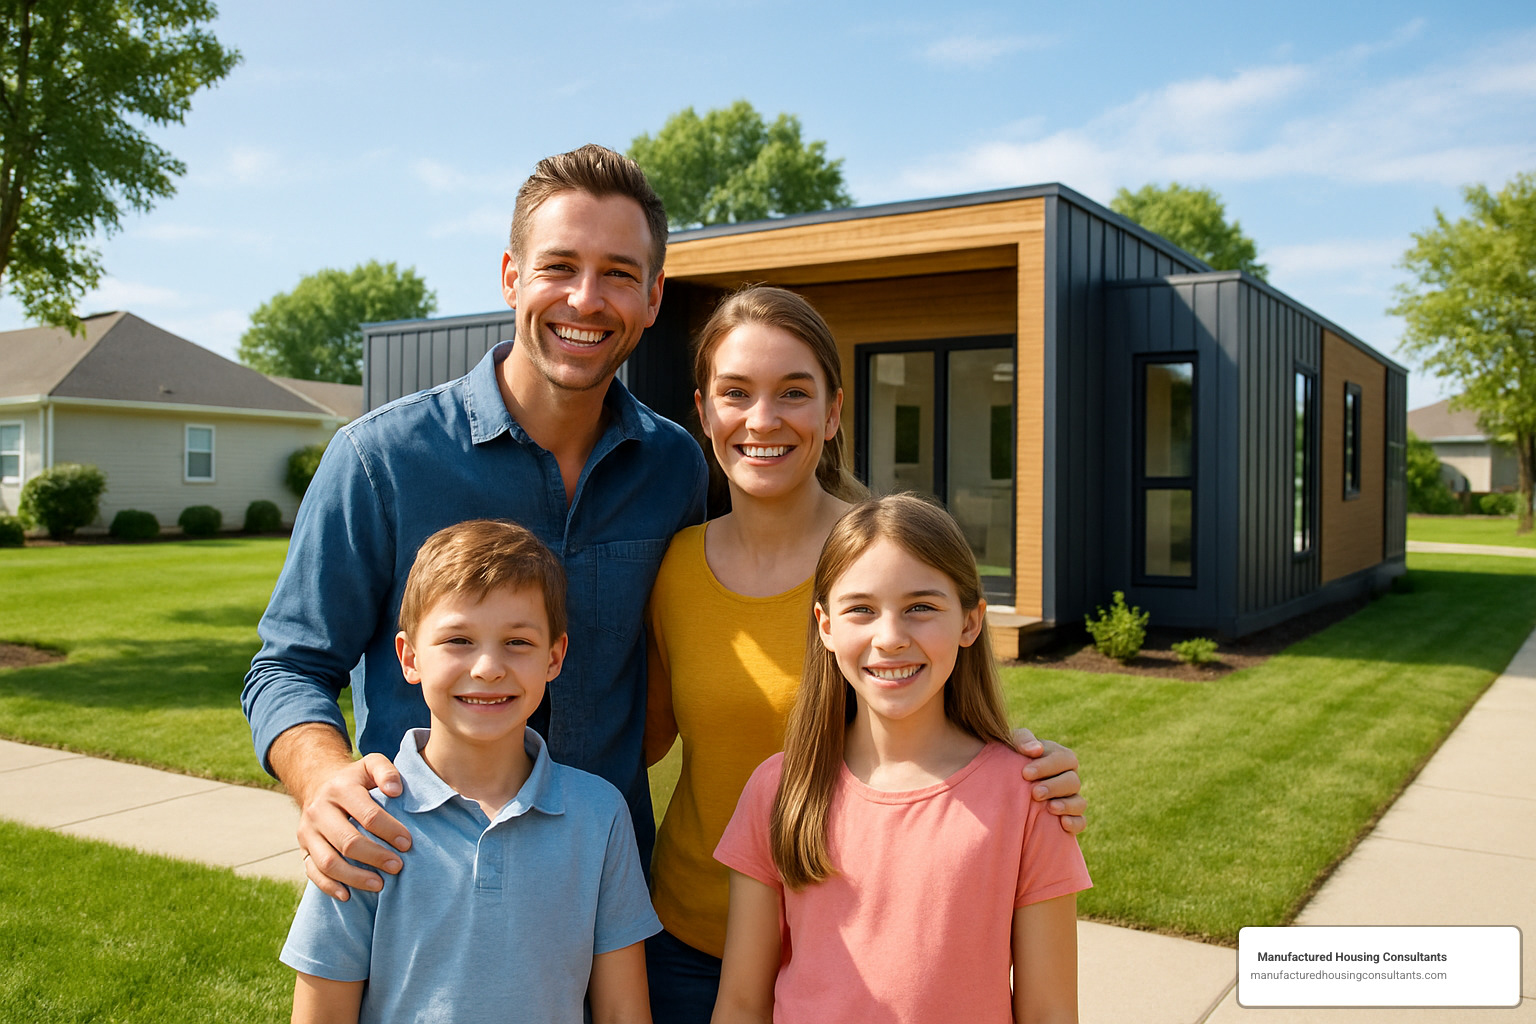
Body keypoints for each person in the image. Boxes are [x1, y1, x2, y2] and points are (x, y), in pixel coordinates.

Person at [242, 144, 708, 901]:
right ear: (511, 277)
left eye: (619, 274)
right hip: (419, 890)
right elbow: (288, 666)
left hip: (607, 896)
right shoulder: (380, 459)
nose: (586, 299)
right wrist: (323, 777)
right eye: (559, 266)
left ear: (654, 298)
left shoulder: (675, 467)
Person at [643, 287, 1086, 1022]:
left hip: (859, 947)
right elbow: (643, 739)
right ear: (705, 411)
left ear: (833, 412)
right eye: (736, 393)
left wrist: (1034, 775)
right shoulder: (676, 568)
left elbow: (938, 718)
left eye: (794, 392)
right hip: (692, 942)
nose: (763, 419)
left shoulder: (883, 566)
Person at [710, 494, 1091, 1024]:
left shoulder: (1029, 797)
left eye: (920, 607)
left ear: (970, 622)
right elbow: (741, 1003)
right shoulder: (778, 791)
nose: (889, 638)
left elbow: (1049, 1011)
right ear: (825, 626)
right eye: (861, 609)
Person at [281, 519, 659, 1024]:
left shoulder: (600, 815)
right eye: (458, 640)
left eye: (517, 642)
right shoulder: (365, 822)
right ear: (409, 657)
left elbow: (621, 1010)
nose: (487, 667)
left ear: (554, 657)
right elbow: (323, 1013)